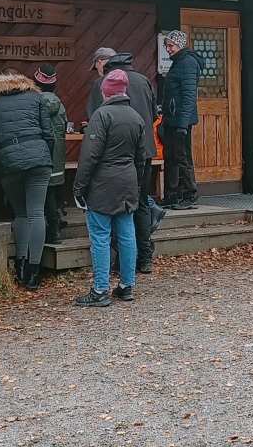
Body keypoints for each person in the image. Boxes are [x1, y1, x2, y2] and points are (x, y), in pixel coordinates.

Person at [0, 69, 55, 289]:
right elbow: (49, 132)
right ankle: (34, 272)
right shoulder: (35, 97)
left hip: (8, 159)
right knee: (37, 213)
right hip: (39, 157)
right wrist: (46, 156)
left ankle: (21, 265)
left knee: (21, 213)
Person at [72, 68, 149, 307]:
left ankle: (100, 290)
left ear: (106, 92)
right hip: (127, 181)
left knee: (100, 237)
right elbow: (141, 158)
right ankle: (126, 286)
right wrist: (135, 185)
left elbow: (89, 158)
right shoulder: (137, 117)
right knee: (127, 234)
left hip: (102, 184)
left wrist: (78, 188)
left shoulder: (101, 116)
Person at [84, 48, 161, 271]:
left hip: (114, 154)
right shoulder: (145, 80)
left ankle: (121, 260)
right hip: (144, 149)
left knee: (116, 206)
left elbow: (94, 117)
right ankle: (145, 258)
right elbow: (155, 115)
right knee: (141, 202)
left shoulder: (103, 84)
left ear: (104, 64)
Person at [159, 30, 202, 209]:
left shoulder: (188, 63)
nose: (168, 49)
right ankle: (172, 194)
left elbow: (189, 95)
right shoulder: (178, 63)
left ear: (180, 45)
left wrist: (183, 124)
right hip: (171, 119)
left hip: (180, 121)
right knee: (170, 157)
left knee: (182, 157)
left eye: (171, 45)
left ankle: (189, 195)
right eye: (166, 45)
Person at [34, 64, 68, 243]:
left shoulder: (35, 104)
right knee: (54, 191)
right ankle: (58, 220)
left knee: (44, 194)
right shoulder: (60, 105)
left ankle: (53, 230)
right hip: (58, 156)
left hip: (41, 155)